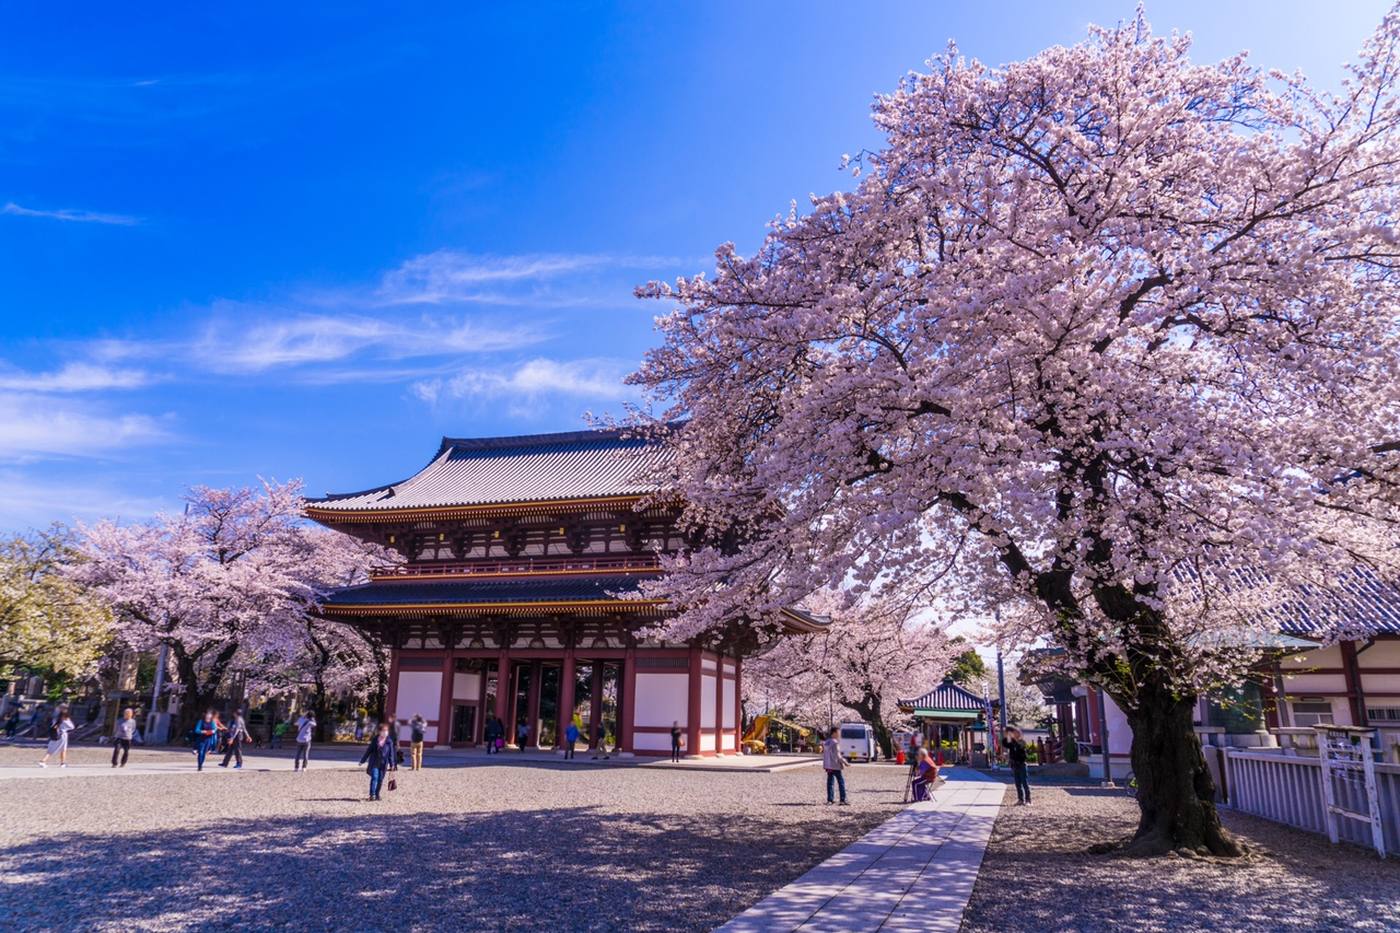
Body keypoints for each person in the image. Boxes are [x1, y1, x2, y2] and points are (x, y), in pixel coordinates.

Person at [359, 721, 398, 801]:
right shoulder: (375, 740)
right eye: (383, 730)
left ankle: (377, 794)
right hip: (374, 762)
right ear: (380, 731)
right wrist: (362, 760)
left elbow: (391, 754)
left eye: (386, 730)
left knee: (380, 779)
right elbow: (369, 750)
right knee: (375, 777)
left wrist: (392, 764)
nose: (385, 732)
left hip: (383, 764)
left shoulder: (389, 742)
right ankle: (372, 795)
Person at [822, 725, 849, 805]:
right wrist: (845, 762)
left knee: (830, 782)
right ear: (834, 733)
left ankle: (830, 799)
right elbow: (838, 755)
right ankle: (842, 799)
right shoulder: (835, 743)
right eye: (838, 733)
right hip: (835, 765)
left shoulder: (826, 742)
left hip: (828, 765)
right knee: (841, 782)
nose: (839, 734)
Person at [1005, 726, 1031, 805]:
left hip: (1022, 764)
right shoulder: (1012, 743)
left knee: (1024, 782)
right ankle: (1020, 799)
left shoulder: (1022, 742)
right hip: (1015, 765)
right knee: (1017, 783)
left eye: (1016, 733)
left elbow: (1023, 753)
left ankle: (1028, 800)